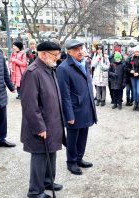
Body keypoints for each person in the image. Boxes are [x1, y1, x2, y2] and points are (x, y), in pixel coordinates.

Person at [20, 41, 64, 198]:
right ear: (43, 54)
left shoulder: (49, 68)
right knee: (40, 157)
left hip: (52, 122)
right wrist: (39, 127)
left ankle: (47, 181)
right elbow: (30, 104)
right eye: (55, 54)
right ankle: (35, 191)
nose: (58, 58)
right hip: (41, 125)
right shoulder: (33, 72)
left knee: (51, 153)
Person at [57, 39, 97, 175]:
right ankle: (71, 162)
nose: (80, 52)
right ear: (69, 52)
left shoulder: (84, 63)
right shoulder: (63, 68)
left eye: (81, 48)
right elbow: (64, 94)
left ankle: (79, 158)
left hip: (86, 106)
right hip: (74, 109)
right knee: (72, 138)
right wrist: (69, 115)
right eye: (76, 49)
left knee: (83, 135)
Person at [126, 46, 139, 111]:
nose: (137, 53)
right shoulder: (131, 59)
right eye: (136, 52)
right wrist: (130, 71)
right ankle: (135, 103)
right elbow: (127, 67)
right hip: (132, 77)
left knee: (138, 91)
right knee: (134, 91)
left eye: (138, 52)